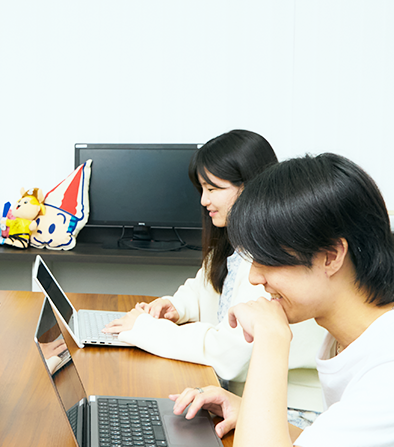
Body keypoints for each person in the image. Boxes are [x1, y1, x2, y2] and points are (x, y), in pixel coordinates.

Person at [171, 153, 394, 447]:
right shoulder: (351, 335)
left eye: (268, 259)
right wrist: (250, 413)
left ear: (331, 256)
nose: (256, 277)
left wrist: (272, 338)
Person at [104, 130, 323, 412]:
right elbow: (202, 287)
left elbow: (230, 354)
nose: (203, 201)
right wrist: (176, 306)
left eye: (213, 189)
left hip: (291, 408)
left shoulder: (273, 256)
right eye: (202, 189)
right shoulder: (236, 243)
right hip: (247, 398)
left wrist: (146, 330)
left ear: (250, 186)